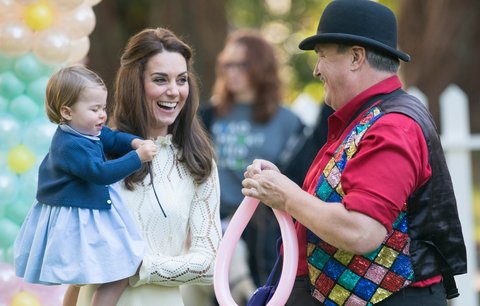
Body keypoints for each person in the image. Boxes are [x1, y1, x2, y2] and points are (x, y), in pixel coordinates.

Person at [241, 1, 467, 305]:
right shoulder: (369, 118)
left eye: (322, 56)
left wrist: (287, 196)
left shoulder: (392, 125)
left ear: (356, 57)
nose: (316, 69)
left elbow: (361, 231)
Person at [76, 27, 222, 306]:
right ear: (135, 83)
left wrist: (139, 267)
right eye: (160, 79)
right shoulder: (96, 151)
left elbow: (210, 262)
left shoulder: (198, 161)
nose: (173, 91)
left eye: (181, 80)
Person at [13, 65, 158, 306]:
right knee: (120, 268)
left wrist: (133, 142)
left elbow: (110, 137)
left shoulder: (86, 129)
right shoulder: (69, 144)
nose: (102, 115)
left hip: (85, 211)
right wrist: (137, 157)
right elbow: (99, 173)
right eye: (94, 109)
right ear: (67, 111)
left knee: (84, 278)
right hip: (76, 218)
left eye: (103, 107)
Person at [200, 29, 303, 289]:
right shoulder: (207, 116)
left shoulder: (288, 122)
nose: (231, 71)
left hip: (262, 231)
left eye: (242, 64)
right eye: (227, 64)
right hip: (213, 226)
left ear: (260, 67)